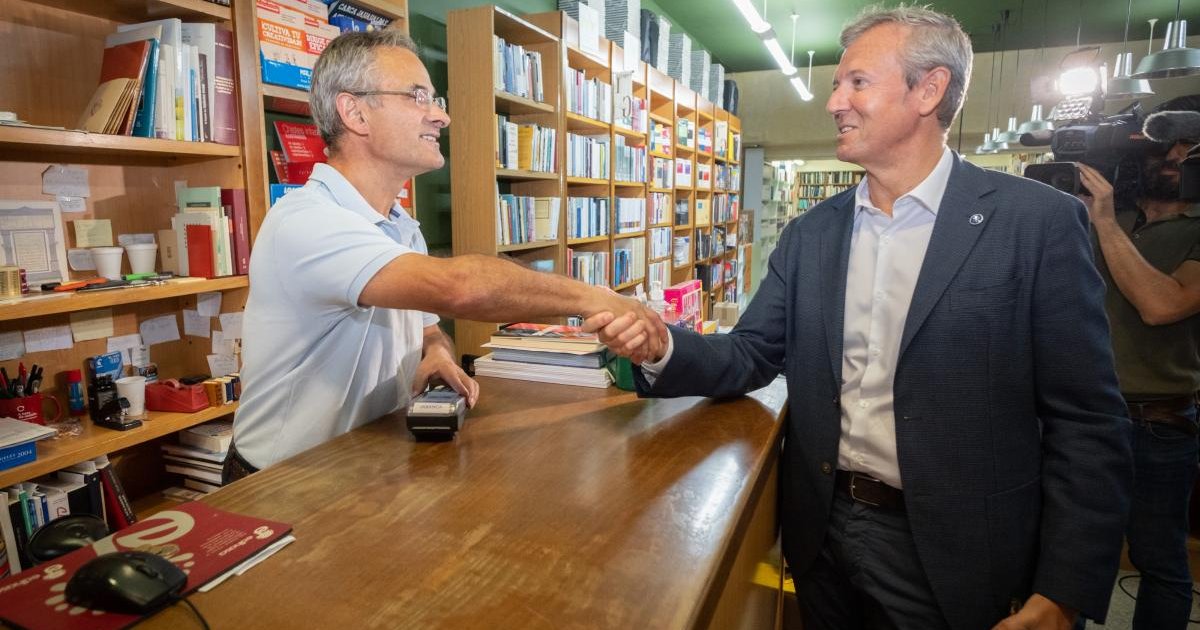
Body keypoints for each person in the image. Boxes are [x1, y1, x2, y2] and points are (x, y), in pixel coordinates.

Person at [588, 6, 1132, 630]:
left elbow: (1087, 421)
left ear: (929, 90)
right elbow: (752, 353)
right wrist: (662, 347)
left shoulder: (1036, 224)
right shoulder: (811, 233)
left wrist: (1061, 594)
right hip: (824, 536)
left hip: (957, 554)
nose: (833, 102)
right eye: (836, 83)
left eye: (857, 82)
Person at [227, 30, 662, 481]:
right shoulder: (306, 221)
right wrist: (597, 299)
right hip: (277, 482)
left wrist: (436, 354)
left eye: (435, 99)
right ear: (354, 112)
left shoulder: (398, 224)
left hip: (361, 463)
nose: (441, 117)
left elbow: (428, 327)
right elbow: (459, 288)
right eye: (418, 97)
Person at [1076, 94, 1200, 630]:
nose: (1172, 160)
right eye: (1162, 152)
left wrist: (1104, 224)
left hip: (1159, 424)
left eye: (1186, 153)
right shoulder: (1110, 215)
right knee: (1071, 556)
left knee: (1159, 559)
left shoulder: (1192, 226)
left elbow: (1163, 305)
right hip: (1082, 418)